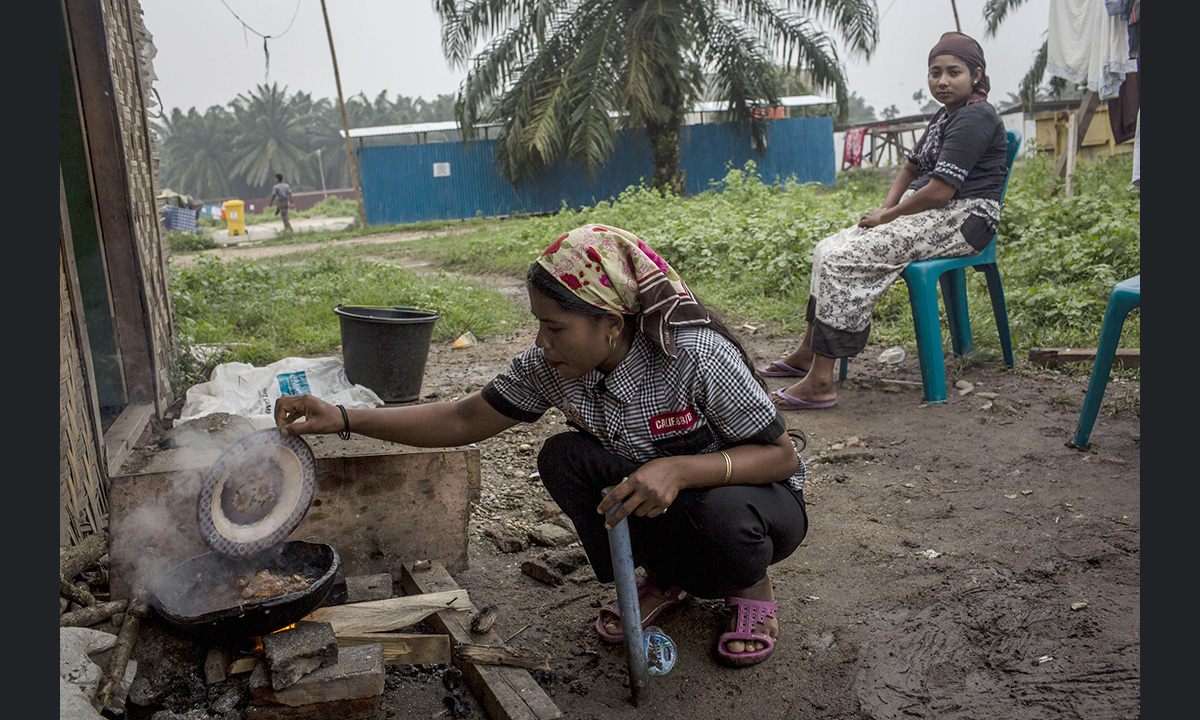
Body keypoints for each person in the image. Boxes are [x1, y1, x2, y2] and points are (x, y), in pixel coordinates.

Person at [275, 224, 809, 668]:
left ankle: (751, 590)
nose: (541, 342)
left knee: (722, 513)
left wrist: (681, 469)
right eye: (538, 325)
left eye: (554, 327)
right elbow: (463, 418)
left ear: (610, 323)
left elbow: (782, 457)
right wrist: (342, 417)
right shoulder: (554, 369)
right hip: (661, 495)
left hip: (755, 500)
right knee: (565, 458)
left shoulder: (693, 355)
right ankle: (661, 579)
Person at [760, 31, 1011, 410]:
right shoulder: (946, 116)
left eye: (953, 72)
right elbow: (909, 169)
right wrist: (883, 214)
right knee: (827, 248)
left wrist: (889, 216)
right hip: (929, 212)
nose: (942, 81)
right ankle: (807, 352)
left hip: (964, 219)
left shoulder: (976, 117)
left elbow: (942, 190)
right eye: (935, 72)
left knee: (846, 259)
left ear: (976, 75)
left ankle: (821, 383)